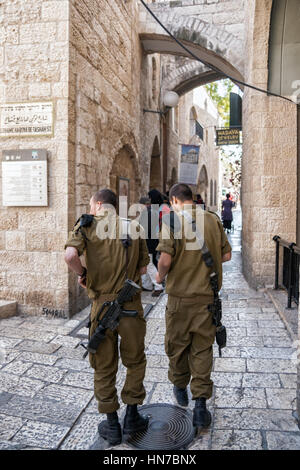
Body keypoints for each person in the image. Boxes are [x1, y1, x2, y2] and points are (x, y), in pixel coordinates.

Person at [64, 189, 150, 446]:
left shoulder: (86, 225)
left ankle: (112, 425)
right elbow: (144, 268)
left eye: (92, 207)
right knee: (135, 362)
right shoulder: (133, 227)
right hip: (131, 306)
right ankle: (132, 416)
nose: (91, 212)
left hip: (101, 307)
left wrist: (84, 274)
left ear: (98, 204)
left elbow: (69, 256)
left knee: (103, 365)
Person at [155, 183, 232, 429]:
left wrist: (159, 277)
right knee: (202, 349)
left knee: (177, 347)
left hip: (180, 298)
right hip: (207, 299)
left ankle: (180, 388)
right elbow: (226, 255)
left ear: (175, 200)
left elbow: (165, 260)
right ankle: (200, 406)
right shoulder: (212, 219)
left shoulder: (172, 221)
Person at [138, 196, 164, 297]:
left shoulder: (146, 213)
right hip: (153, 241)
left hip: (148, 242)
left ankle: (158, 286)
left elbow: (144, 229)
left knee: (149, 264)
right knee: (149, 263)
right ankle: (148, 285)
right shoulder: (154, 212)